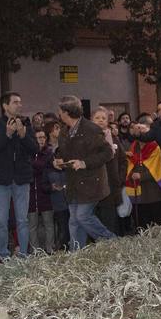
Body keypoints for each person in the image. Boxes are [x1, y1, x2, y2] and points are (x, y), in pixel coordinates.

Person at [53, 96, 116, 250]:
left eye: (60, 110)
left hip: (91, 183)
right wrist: (58, 160)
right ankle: (77, 254)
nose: (58, 113)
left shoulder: (91, 129)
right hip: (73, 183)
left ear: (66, 112)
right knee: (74, 220)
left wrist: (84, 163)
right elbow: (62, 152)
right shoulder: (63, 132)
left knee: (83, 216)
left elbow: (108, 153)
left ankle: (112, 241)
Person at [0, 92, 40, 258]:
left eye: (20, 102)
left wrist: (23, 135)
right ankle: (3, 254)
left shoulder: (26, 123)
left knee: (22, 220)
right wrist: (7, 135)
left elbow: (35, 149)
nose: (19, 105)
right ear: (5, 105)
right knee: (2, 220)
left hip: (22, 178)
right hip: (1, 180)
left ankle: (23, 254)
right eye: (15, 102)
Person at [125, 116, 161, 229]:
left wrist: (141, 175)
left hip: (155, 192)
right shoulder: (133, 146)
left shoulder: (155, 146)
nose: (140, 132)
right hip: (139, 193)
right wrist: (131, 173)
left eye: (143, 129)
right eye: (138, 130)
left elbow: (157, 167)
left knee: (159, 225)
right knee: (142, 225)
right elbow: (130, 165)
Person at [92, 107, 126, 235]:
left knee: (110, 222)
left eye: (103, 118)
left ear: (107, 121)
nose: (100, 120)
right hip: (93, 187)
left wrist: (120, 178)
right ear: (91, 120)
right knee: (95, 223)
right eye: (97, 118)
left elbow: (123, 161)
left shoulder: (114, 138)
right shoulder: (87, 139)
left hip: (111, 187)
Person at [28, 129, 55, 254]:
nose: (42, 140)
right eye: (39, 137)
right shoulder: (29, 154)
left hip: (45, 193)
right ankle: (35, 250)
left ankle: (50, 248)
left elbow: (45, 168)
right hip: (31, 194)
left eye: (43, 137)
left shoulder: (49, 153)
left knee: (48, 223)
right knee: (32, 224)